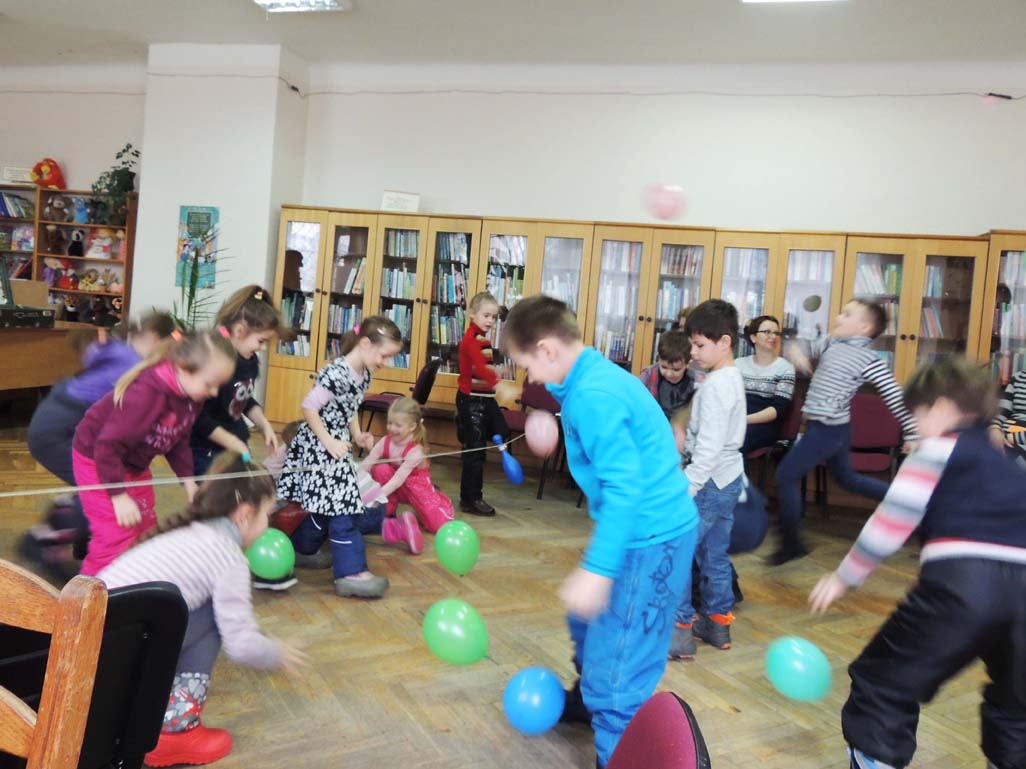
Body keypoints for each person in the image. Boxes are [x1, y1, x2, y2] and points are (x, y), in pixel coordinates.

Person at [502, 294, 697, 769]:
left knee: (618, 679)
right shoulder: (590, 380)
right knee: (585, 621)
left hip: (650, 538)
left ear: (547, 349)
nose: (529, 378)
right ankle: (591, 699)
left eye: (527, 365)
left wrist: (598, 569)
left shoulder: (593, 396)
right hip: (644, 531)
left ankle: (616, 743)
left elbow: (625, 488)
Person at [808, 357, 1026, 769]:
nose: (914, 428)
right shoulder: (1008, 464)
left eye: (916, 417)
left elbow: (891, 522)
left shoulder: (937, 449)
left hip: (964, 586)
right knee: (1017, 706)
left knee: (881, 684)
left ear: (941, 409)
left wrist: (844, 577)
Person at [98, 453, 308, 767]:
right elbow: (240, 645)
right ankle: (173, 730)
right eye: (268, 514)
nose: (269, 524)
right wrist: (277, 653)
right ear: (245, 515)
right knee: (214, 618)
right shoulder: (228, 557)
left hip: (96, 642)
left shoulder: (190, 532)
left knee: (204, 609)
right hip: (112, 658)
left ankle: (147, 716)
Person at [72, 329, 236, 576]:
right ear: (184, 367)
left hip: (132, 462)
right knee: (115, 536)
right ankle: (87, 594)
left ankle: (134, 581)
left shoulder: (192, 396)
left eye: (218, 386)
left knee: (146, 528)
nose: (213, 392)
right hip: (97, 458)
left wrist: (188, 481)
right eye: (209, 384)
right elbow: (107, 446)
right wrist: (118, 496)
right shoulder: (147, 394)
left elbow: (178, 438)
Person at [22, 313, 175, 572]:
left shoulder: (119, 350)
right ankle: (42, 539)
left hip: (54, 422)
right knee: (101, 490)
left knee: (96, 487)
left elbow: (92, 359)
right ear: (155, 339)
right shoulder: (133, 366)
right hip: (56, 431)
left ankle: (74, 539)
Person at [773, 300, 917, 565]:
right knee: (847, 479)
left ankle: (791, 544)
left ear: (864, 328)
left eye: (847, 314)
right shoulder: (831, 343)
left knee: (785, 475)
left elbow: (895, 396)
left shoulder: (870, 360)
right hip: (830, 427)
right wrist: (797, 351)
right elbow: (806, 346)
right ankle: (906, 503)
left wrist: (911, 433)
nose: (839, 317)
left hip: (828, 429)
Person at [276, 317, 404, 599]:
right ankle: (351, 572)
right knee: (344, 506)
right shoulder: (336, 373)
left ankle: (303, 548)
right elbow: (309, 407)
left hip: (336, 444)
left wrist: (357, 434)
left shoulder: (364, 373)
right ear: (366, 343)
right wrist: (329, 441)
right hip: (320, 446)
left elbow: (350, 407)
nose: (387, 363)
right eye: (385, 355)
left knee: (328, 505)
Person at [668, 299, 747, 660]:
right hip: (729, 479)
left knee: (678, 548)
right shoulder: (729, 377)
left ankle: (680, 630)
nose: (694, 352)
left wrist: (688, 486)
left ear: (725, 342)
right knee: (714, 553)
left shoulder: (717, 386)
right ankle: (716, 624)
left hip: (709, 482)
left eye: (700, 345)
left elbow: (710, 448)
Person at [189, 285, 282, 477]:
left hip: (235, 446)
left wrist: (264, 424)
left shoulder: (249, 360)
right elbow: (198, 417)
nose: (263, 348)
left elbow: (243, 398)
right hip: (207, 451)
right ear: (239, 330)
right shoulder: (215, 362)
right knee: (216, 495)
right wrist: (231, 442)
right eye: (261, 341)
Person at [359, 396, 455, 536]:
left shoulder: (416, 451)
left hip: (416, 487)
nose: (392, 428)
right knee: (380, 469)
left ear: (412, 427)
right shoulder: (385, 441)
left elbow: (397, 481)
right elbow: (368, 462)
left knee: (439, 527)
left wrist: (376, 496)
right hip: (398, 485)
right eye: (390, 423)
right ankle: (388, 511)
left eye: (398, 425)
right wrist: (354, 481)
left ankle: (438, 499)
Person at [456, 291, 510, 517]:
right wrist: (498, 382)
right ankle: (471, 499)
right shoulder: (470, 339)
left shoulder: (483, 339)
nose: (490, 321)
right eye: (486, 315)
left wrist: (496, 372)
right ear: (472, 314)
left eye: (493, 317)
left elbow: (483, 367)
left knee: (503, 431)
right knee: (476, 452)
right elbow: (479, 367)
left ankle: (469, 435)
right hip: (471, 402)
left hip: (486, 400)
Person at [735, 314, 796, 454]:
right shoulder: (738, 364)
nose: (773, 336)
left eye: (776, 333)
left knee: (736, 442)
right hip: (737, 417)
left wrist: (744, 420)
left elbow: (778, 410)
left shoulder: (785, 368)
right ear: (753, 337)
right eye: (767, 332)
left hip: (763, 425)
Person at [638, 329, 696, 420]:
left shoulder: (696, 382)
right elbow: (636, 401)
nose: (669, 374)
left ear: (687, 363)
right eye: (664, 367)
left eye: (676, 369)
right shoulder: (648, 376)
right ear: (658, 359)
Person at [989, 369, 1026, 467]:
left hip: (1016, 441)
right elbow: (1002, 412)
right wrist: (995, 429)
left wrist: (1009, 437)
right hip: (1005, 435)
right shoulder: (1018, 377)